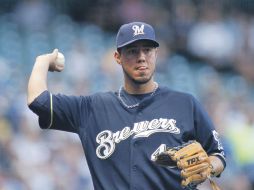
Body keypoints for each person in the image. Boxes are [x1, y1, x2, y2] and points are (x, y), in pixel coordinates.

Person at [27, 21, 226, 190]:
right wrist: (42, 62)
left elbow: (218, 154)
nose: (141, 57)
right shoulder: (92, 108)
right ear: (117, 57)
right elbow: (39, 101)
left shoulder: (185, 103)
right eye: (132, 51)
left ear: (156, 54)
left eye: (147, 50)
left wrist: (209, 167)